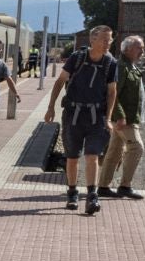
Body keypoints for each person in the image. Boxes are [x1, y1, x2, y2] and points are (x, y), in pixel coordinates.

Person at [45, 25, 120, 214]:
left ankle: (92, 196)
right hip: (73, 114)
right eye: (104, 39)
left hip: (96, 117)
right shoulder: (76, 58)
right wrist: (50, 107)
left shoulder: (111, 63)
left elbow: (112, 92)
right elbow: (60, 81)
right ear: (92, 40)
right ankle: (72, 192)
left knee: (92, 156)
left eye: (110, 39)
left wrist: (109, 118)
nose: (108, 43)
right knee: (72, 157)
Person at [96, 35, 145, 199]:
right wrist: (119, 116)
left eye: (142, 47)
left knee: (115, 150)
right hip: (124, 118)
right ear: (127, 49)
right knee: (136, 147)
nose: (142, 51)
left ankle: (103, 186)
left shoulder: (131, 66)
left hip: (128, 117)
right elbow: (113, 93)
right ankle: (125, 186)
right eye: (139, 47)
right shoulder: (122, 67)